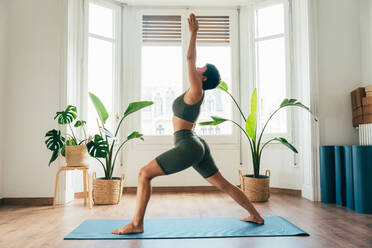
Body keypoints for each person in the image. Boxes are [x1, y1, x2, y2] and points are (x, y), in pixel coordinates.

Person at [112, 13, 264, 235]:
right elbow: (192, 63)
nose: (197, 67)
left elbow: (189, 60)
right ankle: (256, 215)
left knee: (144, 174)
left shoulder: (197, 91)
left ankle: (136, 224)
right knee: (222, 184)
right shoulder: (195, 92)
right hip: (195, 143)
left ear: (203, 77)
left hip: (188, 144)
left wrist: (194, 33)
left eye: (202, 68)